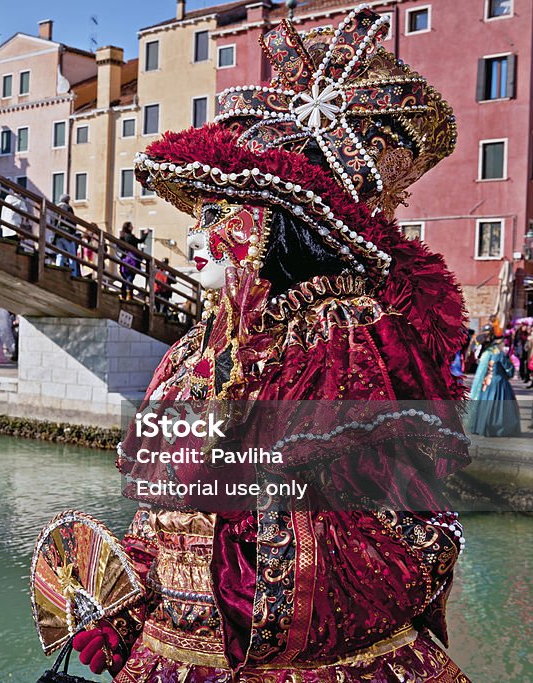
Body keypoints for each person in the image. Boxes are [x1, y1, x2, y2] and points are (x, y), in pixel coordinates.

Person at [59, 9, 472, 681]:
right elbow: (156, 516)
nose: (196, 240)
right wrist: (122, 602)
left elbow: (404, 531)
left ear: (268, 227)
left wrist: (250, 538)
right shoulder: (189, 354)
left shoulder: (341, 337)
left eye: (218, 217)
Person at [466, 326, 521, 436]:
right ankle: (499, 429)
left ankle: (482, 427)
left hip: (486, 385)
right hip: (499, 384)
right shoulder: (498, 353)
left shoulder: (485, 353)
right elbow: (510, 371)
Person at [52, 195, 81, 278]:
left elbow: (52, 221)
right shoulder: (68, 208)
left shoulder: (55, 208)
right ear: (67, 200)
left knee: (60, 254)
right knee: (72, 256)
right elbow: (72, 221)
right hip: (67, 235)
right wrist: (72, 232)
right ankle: (73, 274)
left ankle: (57, 271)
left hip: (57, 234)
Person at [117, 221, 147, 299]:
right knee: (130, 277)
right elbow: (140, 241)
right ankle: (128, 295)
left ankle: (123, 294)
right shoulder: (130, 237)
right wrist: (145, 234)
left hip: (124, 259)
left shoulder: (123, 237)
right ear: (129, 227)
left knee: (126, 278)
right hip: (132, 260)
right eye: (131, 226)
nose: (133, 227)